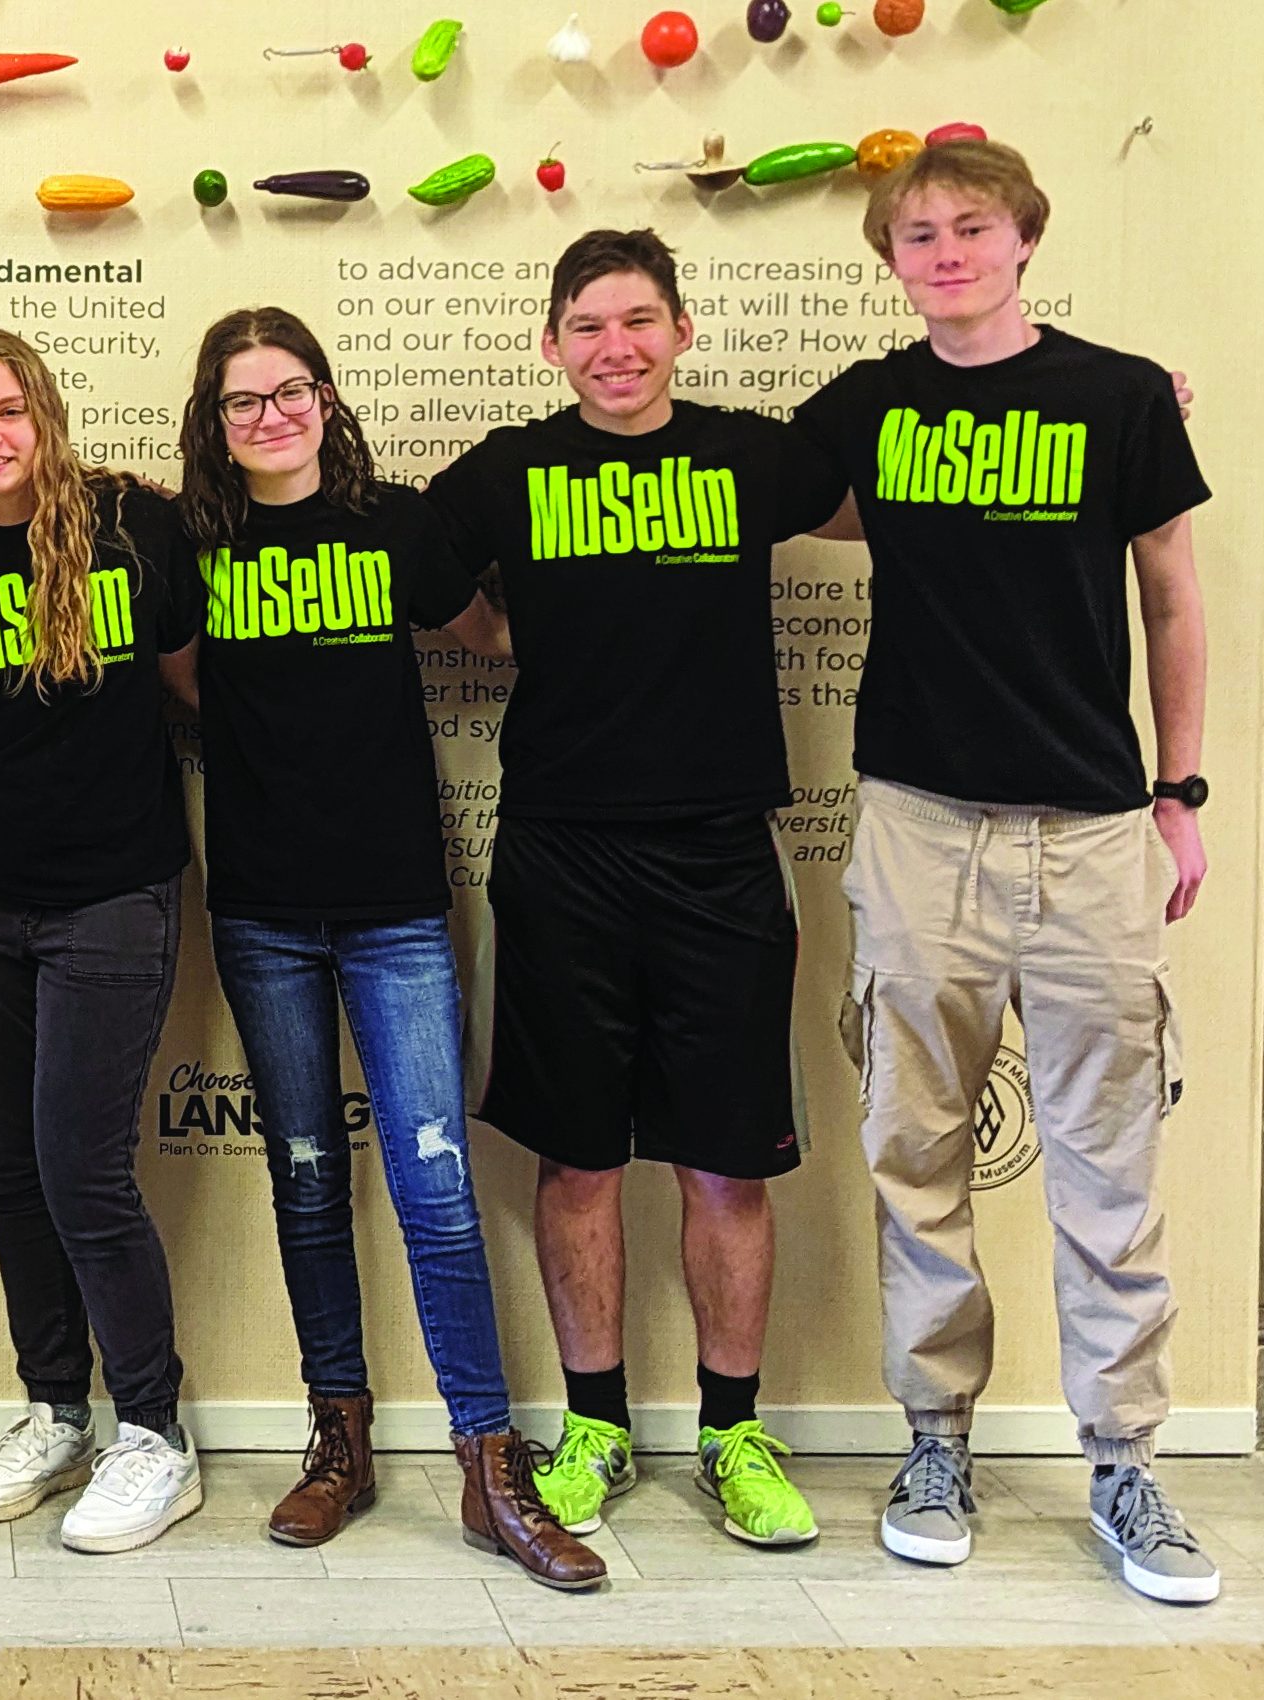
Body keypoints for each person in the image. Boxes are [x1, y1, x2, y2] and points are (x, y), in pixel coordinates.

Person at [794, 141, 1220, 1604]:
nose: (947, 250)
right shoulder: (868, 409)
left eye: (972, 226)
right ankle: (934, 1440)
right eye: (918, 234)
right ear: (893, 260)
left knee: (1109, 1166)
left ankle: (1126, 1465)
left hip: (1092, 831)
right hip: (919, 826)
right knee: (917, 1157)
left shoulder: (1118, 397)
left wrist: (1181, 791)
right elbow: (780, 494)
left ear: (1024, 238)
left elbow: (1172, 594)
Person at [425, 230, 848, 1550]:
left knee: (729, 1165)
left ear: (680, 331)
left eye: (640, 319)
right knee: (581, 1155)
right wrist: (511, 634)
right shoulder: (509, 470)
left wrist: (1116, 407)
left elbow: (896, 484)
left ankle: (734, 1432)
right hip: (562, 853)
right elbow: (415, 574)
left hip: (723, 850)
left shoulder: (749, 454)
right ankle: (595, 1423)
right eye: (590, 324)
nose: (617, 346)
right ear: (552, 342)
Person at [172, 307, 603, 1591]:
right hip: (258, 915)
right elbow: (182, 678)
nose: (271, 416)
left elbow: (490, 634)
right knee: (306, 1178)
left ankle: (486, 1464)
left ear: (324, 395)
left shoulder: (401, 525)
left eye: (289, 390)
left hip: (396, 911)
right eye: (243, 400)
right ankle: (340, 1438)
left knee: (431, 1187)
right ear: (215, 421)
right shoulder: (195, 544)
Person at [0, 327, 205, 1555]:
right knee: (17, 1171)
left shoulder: (133, 529)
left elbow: (198, 691)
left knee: (83, 1168)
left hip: (113, 897)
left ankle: (156, 1431)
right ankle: (55, 1407)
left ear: (45, 418)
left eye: (8, 410)